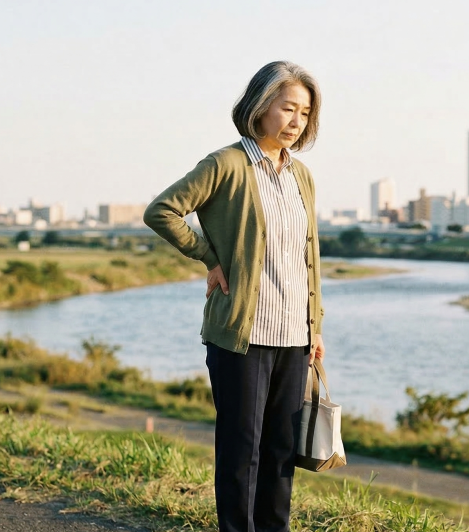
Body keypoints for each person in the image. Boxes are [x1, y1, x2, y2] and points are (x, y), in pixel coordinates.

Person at [143, 60, 325, 532]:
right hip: (241, 334)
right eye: (288, 108)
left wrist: (315, 327)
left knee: (281, 451)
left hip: (293, 336)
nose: (295, 121)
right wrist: (208, 256)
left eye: (304, 113)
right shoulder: (226, 164)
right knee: (241, 449)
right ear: (261, 107)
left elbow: (306, 257)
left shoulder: (301, 175)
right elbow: (162, 211)